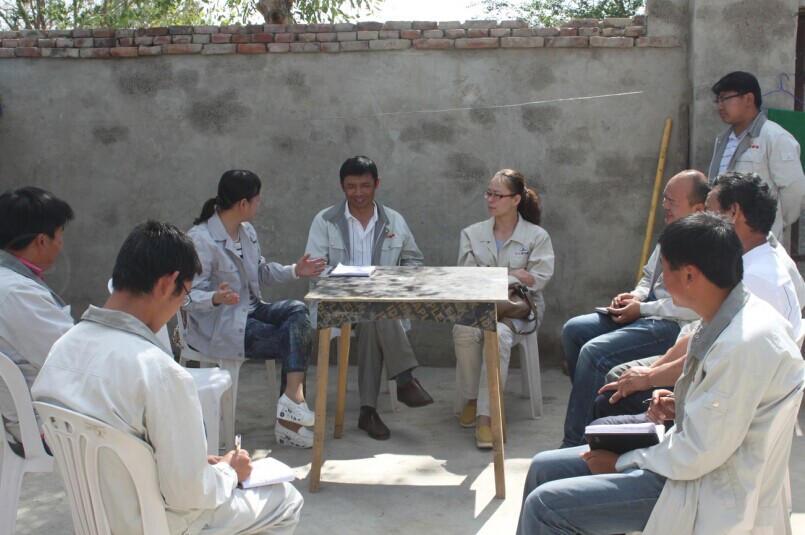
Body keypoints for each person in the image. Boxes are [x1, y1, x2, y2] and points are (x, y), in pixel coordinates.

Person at [518, 212, 805, 535]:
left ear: (690, 275)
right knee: (542, 468)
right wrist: (682, 403)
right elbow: (723, 414)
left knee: (544, 507)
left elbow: (697, 454)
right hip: (690, 460)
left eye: (665, 269)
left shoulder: (741, 344)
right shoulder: (730, 313)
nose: (662, 281)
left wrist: (619, 463)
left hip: (700, 485)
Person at [32, 221, 303, 535]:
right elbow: (189, 495)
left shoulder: (62, 348)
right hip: (158, 523)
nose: (180, 305)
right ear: (168, 283)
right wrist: (231, 471)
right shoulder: (160, 373)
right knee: (285, 499)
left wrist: (195, 464)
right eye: (184, 294)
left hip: (95, 517)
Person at [594, 171, 802, 419]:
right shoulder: (746, 261)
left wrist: (650, 377)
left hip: (720, 397)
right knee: (619, 378)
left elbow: (712, 358)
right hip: (702, 372)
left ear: (733, 213)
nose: (702, 219)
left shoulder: (755, 279)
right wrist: (652, 371)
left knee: (610, 398)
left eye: (709, 212)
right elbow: (701, 334)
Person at [559, 170, 707, 447]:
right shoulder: (670, 232)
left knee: (594, 353)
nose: (665, 206)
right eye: (665, 199)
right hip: (646, 312)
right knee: (574, 331)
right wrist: (633, 297)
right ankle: (590, 411)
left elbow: (690, 307)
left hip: (670, 323)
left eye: (672, 201)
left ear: (698, 208)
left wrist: (642, 308)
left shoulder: (705, 245)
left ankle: (575, 443)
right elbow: (648, 276)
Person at [184, 170, 326, 449]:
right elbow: (186, 296)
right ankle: (290, 422)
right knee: (294, 339)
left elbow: (259, 273)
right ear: (243, 204)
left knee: (297, 311)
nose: (259, 205)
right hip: (222, 324)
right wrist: (215, 298)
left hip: (252, 311)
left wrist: (295, 270)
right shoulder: (200, 239)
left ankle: (292, 400)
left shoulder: (246, 232)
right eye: (257, 200)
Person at [305, 155, 433, 441]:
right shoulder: (325, 221)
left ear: (377, 183)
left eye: (365, 185)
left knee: (374, 315)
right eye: (351, 187)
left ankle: (368, 412)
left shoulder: (394, 220)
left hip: (381, 305)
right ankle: (404, 380)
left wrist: (392, 283)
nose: (358, 193)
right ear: (342, 186)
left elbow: (414, 262)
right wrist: (352, 282)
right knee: (377, 313)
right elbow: (314, 268)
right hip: (337, 306)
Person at [452, 169, 554, 448]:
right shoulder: (472, 234)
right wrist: (510, 274)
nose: (490, 199)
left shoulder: (537, 236)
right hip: (481, 306)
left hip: (519, 310)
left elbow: (538, 279)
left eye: (498, 195)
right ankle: (473, 398)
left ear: (516, 199)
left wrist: (494, 276)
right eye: (488, 193)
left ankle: (487, 416)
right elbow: (467, 277)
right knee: (462, 330)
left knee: (497, 334)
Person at [0, 186, 74, 447]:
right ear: (42, 241)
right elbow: (70, 360)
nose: (61, 243)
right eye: (60, 233)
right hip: (39, 427)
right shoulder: (17, 293)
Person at [708, 71, 805, 242]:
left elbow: (795, 190)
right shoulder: (723, 140)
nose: (720, 106)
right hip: (724, 239)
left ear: (749, 99)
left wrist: (773, 223)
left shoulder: (775, 137)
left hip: (759, 240)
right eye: (718, 100)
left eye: (725, 99)